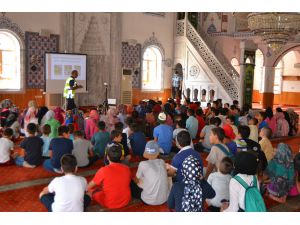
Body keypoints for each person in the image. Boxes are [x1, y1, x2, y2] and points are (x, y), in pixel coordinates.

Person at [87, 144, 131, 209]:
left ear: (107, 157)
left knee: (91, 190)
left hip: (110, 203)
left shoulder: (103, 170)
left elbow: (89, 186)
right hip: (126, 200)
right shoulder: (127, 168)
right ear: (121, 157)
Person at [132, 141, 169, 205]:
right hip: (165, 198)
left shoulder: (142, 164)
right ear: (157, 153)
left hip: (148, 201)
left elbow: (136, 180)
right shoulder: (162, 161)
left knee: (132, 183)